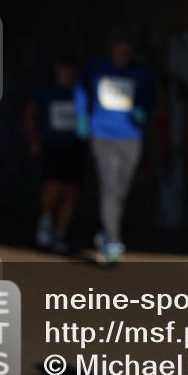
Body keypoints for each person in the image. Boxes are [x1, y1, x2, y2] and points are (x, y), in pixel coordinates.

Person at [75, 34, 153, 263]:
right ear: (112, 48)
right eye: (120, 46)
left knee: (121, 189)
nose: (123, 51)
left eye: (127, 47)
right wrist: (82, 114)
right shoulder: (97, 68)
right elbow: (81, 88)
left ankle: (107, 231)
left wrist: (143, 110)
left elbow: (151, 98)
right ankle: (113, 240)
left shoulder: (140, 73)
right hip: (103, 135)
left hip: (131, 136)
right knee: (109, 186)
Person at [26, 56, 87, 254]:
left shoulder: (80, 93)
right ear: (58, 70)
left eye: (72, 70)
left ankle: (61, 231)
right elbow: (30, 112)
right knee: (53, 186)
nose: (68, 73)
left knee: (71, 191)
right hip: (53, 145)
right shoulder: (47, 92)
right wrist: (34, 138)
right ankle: (45, 223)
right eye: (65, 69)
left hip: (75, 146)